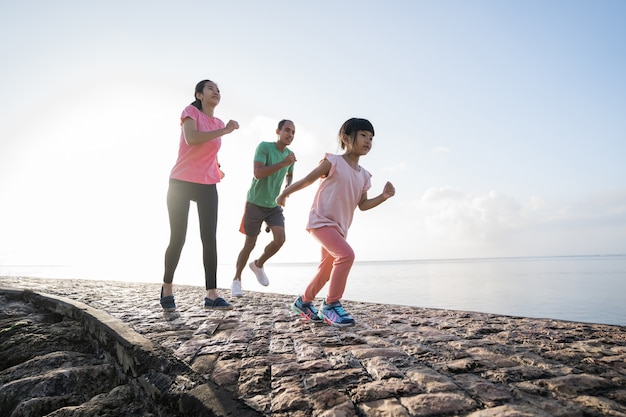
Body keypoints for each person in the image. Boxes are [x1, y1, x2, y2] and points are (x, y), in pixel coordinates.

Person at [276, 118, 396, 327]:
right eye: (363, 135)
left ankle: (303, 302)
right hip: (320, 222)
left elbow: (363, 205)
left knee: (326, 270)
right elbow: (308, 179)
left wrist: (384, 196)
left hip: (339, 229)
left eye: (371, 138)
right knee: (346, 255)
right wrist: (285, 192)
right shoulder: (333, 162)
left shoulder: (364, 176)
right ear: (346, 138)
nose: (368, 141)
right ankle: (331, 305)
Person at [160, 79, 239, 312]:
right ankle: (167, 287)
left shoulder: (217, 121)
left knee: (209, 238)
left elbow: (209, 150)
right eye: (210, 88)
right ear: (199, 94)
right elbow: (192, 139)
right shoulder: (190, 112)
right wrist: (225, 130)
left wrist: (216, 166)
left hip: (207, 184)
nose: (216, 91)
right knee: (178, 237)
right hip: (180, 183)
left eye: (218, 89)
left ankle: (211, 295)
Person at [231, 119, 297, 297]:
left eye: (293, 132)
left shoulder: (291, 155)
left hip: (274, 206)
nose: (290, 135)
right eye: (287, 130)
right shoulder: (264, 147)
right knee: (250, 243)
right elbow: (258, 173)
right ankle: (236, 279)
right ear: (278, 131)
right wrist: (283, 163)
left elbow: (290, 175)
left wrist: (286, 190)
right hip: (255, 203)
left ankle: (258, 264)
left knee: (280, 239)